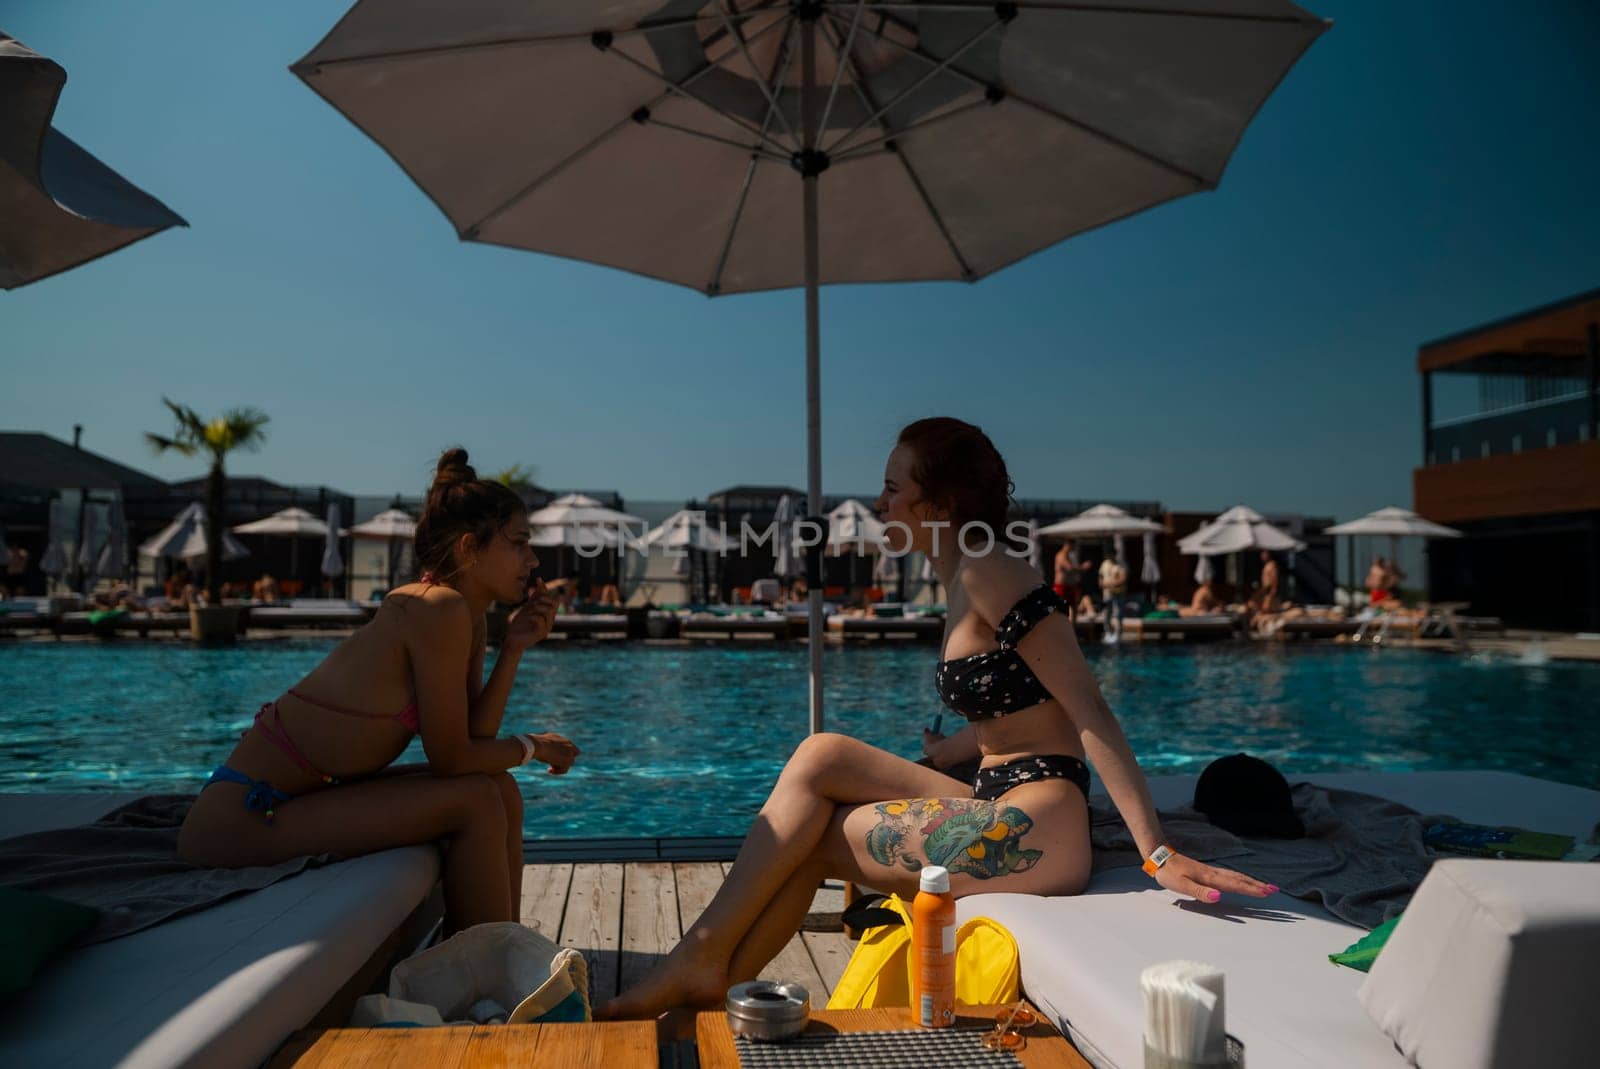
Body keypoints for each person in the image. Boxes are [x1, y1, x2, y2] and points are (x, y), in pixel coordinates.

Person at [599, 417, 1272, 1022]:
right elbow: (1013, 708)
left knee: (816, 831)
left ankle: (708, 967)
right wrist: (947, 750)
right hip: (995, 790)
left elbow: (1086, 705)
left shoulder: (991, 570)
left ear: (941, 504)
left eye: (892, 489)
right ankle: (708, 965)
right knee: (821, 754)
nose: (879, 503)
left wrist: (1156, 850)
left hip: (1044, 818)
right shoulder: (956, 576)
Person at [177, 449, 579, 935]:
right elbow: (453, 760)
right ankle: (490, 985)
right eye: (519, 543)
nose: (533, 560)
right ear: (471, 548)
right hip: (239, 819)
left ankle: (506, 956)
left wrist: (512, 650)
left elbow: (471, 739)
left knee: (500, 789)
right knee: (475, 798)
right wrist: (532, 747)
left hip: (296, 803)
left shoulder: (464, 616)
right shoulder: (435, 609)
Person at [1097, 552, 1128, 641]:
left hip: (1118, 593)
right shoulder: (1105, 564)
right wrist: (1102, 583)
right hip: (1107, 593)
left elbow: (1123, 578)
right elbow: (1101, 576)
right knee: (1107, 613)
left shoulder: (1120, 565)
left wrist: (1111, 584)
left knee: (1118, 613)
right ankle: (1108, 632)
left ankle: (1118, 633)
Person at [1052, 539, 1088, 612]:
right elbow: (1069, 568)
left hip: (1069, 587)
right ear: (1068, 545)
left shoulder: (1068, 556)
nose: (1073, 549)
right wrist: (1083, 567)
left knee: (1073, 608)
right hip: (1061, 587)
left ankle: (1072, 623)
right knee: (1060, 609)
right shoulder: (1061, 555)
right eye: (1073, 546)